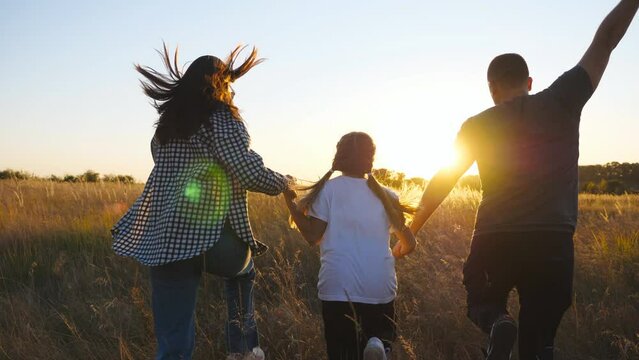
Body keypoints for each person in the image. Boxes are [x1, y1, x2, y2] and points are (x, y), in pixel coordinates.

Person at [409, 1, 639, 359]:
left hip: (495, 236)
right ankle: (537, 348)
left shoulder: (477, 125)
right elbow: (607, 39)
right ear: (530, 82)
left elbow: (444, 178)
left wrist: (413, 229)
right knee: (539, 336)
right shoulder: (563, 99)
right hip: (552, 240)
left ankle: (495, 321)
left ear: (491, 88)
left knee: (482, 300)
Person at [111, 44, 292, 360]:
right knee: (244, 271)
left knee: (173, 343)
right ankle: (244, 351)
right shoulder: (222, 119)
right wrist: (284, 182)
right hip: (212, 242)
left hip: (164, 241)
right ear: (220, 84)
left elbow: (165, 165)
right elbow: (249, 173)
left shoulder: (166, 128)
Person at [283, 132, 417, 360]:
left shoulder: (327, 191)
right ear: (371, 158)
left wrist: (291, 204)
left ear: (339, 156)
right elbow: (410, 244)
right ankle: (378, 346)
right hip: (379, 285)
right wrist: (396, 250)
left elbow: (312, 236)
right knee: (377, 338)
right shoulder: (387, 196)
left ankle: (373, 347)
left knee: (343, 353)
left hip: (338, 288)